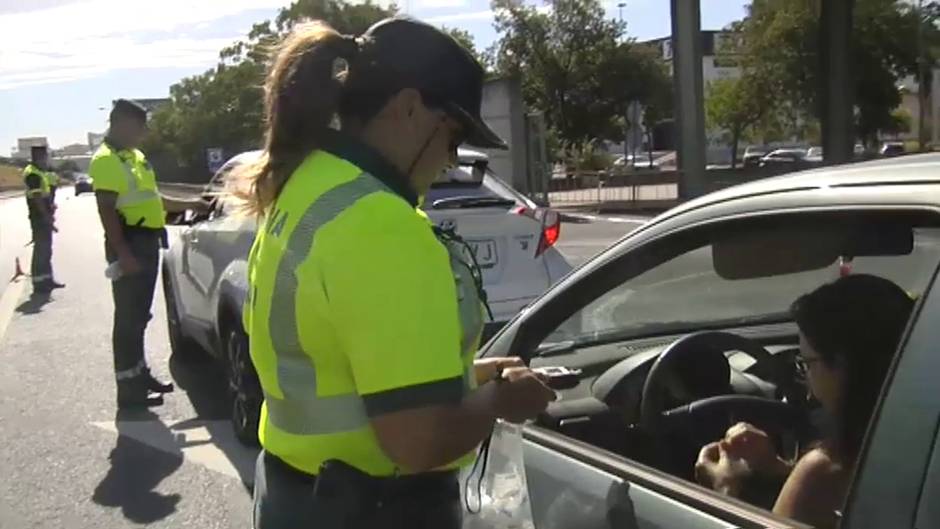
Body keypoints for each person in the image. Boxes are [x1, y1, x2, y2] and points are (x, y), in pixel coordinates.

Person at [238, 17, 556, 529]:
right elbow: (418, 442)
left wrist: (468, 377)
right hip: (374, 510)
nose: (451, 159)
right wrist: (502, 398)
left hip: (295, 495)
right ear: (409, 107)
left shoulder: (308, 187)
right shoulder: (383, 226)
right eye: (452, 136)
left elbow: (337, 371)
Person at [694, 274, 914, 529]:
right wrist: (780, 469)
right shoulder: (915, 442)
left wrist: (726, 487)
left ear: (841, 366)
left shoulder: (827, 471)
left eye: (807, 364)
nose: (807, 388)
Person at [90, 99, 206, 408]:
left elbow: (155, 200)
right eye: (140, 127)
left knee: (139, 315)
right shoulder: (106, 160)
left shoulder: (135, 157)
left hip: (147, 242)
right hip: (129, 242)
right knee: (128, 318)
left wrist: (193, 203)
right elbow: (106, 210)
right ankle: (128, 389)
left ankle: (139, 376)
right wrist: (122, 253)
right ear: (123, 123)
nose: (144, 133)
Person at [22, 145, 64, 294]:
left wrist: (51, 206)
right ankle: (39, 283)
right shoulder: (32, 173)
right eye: (45, 156)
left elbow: (45, 195)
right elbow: (37, 198)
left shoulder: (40, 172)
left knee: (46, 250)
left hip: (44, 216)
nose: (46, 159)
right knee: (41, 250)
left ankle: (48, 279)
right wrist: (47, 218)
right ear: (38, 157)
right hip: (39, 218)